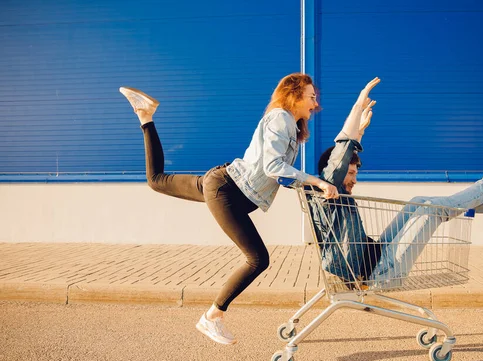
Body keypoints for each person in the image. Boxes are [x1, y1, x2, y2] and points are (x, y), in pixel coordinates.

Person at [119, 75, 380, 345]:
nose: (315, 102)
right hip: (226, 190)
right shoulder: (280, 118)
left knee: (156, 181)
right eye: (311, 96)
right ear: (294, 95)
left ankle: (145, 114)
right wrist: (315, 180)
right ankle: (212, 316)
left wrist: (355, 133)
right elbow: (273, 167)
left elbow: (287, 172)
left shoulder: (289, 124)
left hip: (225, 184)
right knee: (258, 259)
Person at [312, 100, 483, 288]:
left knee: (419, 202)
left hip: (377, 253)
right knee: (430, 211)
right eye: (350, 173)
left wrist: (359, 133)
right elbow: (337, 161)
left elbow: (339, 159)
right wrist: (358, 110)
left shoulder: (332, 194)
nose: (355, 180)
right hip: (380, 274)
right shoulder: (328, 192)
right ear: (334, 174)